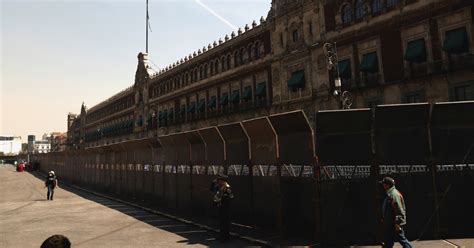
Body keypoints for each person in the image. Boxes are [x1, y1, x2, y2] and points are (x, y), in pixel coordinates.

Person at [380, 177, 412, 248]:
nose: (383, 185)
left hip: (394, 223)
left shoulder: (394, 194)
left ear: (388, 185)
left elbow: (399, 209)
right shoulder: (390, 193)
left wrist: (398, 223)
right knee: (389, 241)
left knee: (401, 239)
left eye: (384, 184)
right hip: (390, 223)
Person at [212, 173, 234, 242]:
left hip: (226, 208)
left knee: (225, 223)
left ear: (223, 180)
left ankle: (226, 237)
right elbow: (212, 189)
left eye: (219, 180)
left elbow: (231, 197)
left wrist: (223, 199)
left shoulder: (227, 188)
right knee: (221, 223)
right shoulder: (220, 187)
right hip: (221, 207)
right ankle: (222, 236)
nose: (218, 181)